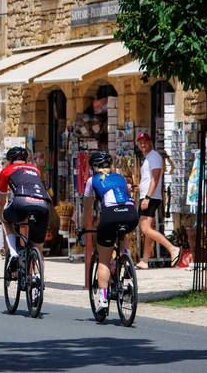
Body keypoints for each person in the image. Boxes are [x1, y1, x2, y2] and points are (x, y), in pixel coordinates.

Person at [77, 151, 138, 311]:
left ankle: (103, 300)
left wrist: (82, 227)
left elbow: (88, 208)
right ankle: (126, 258)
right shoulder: (121, 178)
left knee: (103, 260)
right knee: (123, 231)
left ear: (93, 167)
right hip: (131, 214)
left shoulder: (92, 180)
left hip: (110, 215)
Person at [0, 147, 50, 270]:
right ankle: (37, 278)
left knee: (5, 218)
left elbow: (1, 202)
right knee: (37, 248)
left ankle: (13, 253)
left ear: (10, 160)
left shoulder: (6, 171)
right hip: (44, 204)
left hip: (21, 201)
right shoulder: (35, 169)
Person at [136, 133, 181, 269]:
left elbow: (155, 178)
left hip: (150, 197)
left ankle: (172, 249)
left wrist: (147, 198)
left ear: (150, 142)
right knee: (149, 229)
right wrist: (136, 187)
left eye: (145, 142)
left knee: (145, 228)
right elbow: (149, 180)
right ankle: (145, 260)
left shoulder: (154, 157)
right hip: (148, 195)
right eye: (140, 142)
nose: (142, 145)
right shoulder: (149, 158)